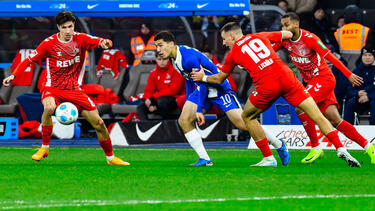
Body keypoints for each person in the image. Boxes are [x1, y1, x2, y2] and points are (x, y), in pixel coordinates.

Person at [191, 22, 361, 167]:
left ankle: (268, 157)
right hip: (287, 77)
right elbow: (288, 33)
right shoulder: (260, 36)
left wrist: (203, 77)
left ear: (233, 37)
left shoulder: (233, 53)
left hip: (268, 84)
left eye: (224, 39)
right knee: (317, 115)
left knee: (248, 116)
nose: (223, 43)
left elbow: (220, 78)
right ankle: (341, 148)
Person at [2, 10, 129, 166]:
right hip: (52, 87)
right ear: (58, 27)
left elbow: (104, 41)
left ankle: (111, 158)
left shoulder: (81, 39)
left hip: (74, 89)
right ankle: (44, 147)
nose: (68, 31)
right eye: (64, 27)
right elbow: (28, 60)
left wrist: (106, 44)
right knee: (49, 107)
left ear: (74, 25)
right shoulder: (48, 43)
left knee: (99, 123)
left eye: (70, 26)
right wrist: (13, 75)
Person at [154, 31, 290, 167]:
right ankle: (205, 159)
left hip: (218, 88)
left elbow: (202, 83)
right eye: (156, 46)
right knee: (184, 120)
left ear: (171, 44)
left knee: (243, 123)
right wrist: (190, 100)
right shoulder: (174, 60)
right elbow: (189, 80)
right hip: (202, 89)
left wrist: (199, 109)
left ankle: (278, 144)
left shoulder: (187, 58)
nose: (158, 50)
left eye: (160, 45)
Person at [272, 12, 375, 164]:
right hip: (313, 82)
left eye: (286, 25)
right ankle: (369, 147)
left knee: (300, 107)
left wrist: (348, 75)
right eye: (282, 25)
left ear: (296, 24)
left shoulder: (310, 38)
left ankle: (315, 147)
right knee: (335, 120)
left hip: (323, 79)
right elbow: (268, 49)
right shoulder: (285, 40)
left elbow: (331, 58)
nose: (284, 28)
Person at [137, 53, 185, 120]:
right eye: (159, 59)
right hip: (159, 100)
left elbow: (174, 90)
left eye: (164, 59)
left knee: (162, 101)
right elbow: (148, 91)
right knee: (141, 107)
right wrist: (151, 104)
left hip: (175, 99)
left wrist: (153, 98)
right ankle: (147, 127)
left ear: (169, 59)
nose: (162, 62)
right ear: (156, 60)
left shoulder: (176, 70)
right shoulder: (153, 73)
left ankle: (168, 126)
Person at [334, 4, 374, 70]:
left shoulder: (338, 32)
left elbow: (335, 51)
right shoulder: (366, 30)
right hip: (361, 68)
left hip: (343, 69)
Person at [344, 47, 375, 126]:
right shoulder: (356, 71)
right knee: (350, 103)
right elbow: (349, 89)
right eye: (365, 55)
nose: (367, 57)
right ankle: (347, 129)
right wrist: (357, 93)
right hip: (360, 99)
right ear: (361, 57)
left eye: (370, 55)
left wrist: (369, 96)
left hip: (373, 98)